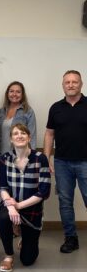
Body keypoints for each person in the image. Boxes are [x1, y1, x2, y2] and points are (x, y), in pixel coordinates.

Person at [44, 70, 87, 254]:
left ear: (81, 84)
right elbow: (49, 133)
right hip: (62, 162)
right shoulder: (56, 108)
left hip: (86, 162)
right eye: (67, 82)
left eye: (74, 82)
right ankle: (71, 238)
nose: (71, 85)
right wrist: (47, 157)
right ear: (63, 85)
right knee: (65, 202)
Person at [0, 124, 51, 272]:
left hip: (32, 211)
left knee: (28, 260)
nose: (19, 136)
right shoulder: (5, 158)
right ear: (11, 139)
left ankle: (26, 237)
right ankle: (8, 256)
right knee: (3, 217)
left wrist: (19, 206)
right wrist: (11, 207)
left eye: (23, 133)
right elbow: (2, 188)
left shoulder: (41, 159)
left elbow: (43, 192)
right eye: (15, 134)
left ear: (29, 137)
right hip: (10, 207)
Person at [0, 81, 37, 155]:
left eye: (18, 92)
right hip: (1, 156)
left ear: (22, 95)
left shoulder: (28, 111)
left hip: (20, 155)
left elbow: (32, 136)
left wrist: (31, 156)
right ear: (7, 94)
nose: (14, 94)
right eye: (11, 91)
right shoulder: (1, 111)